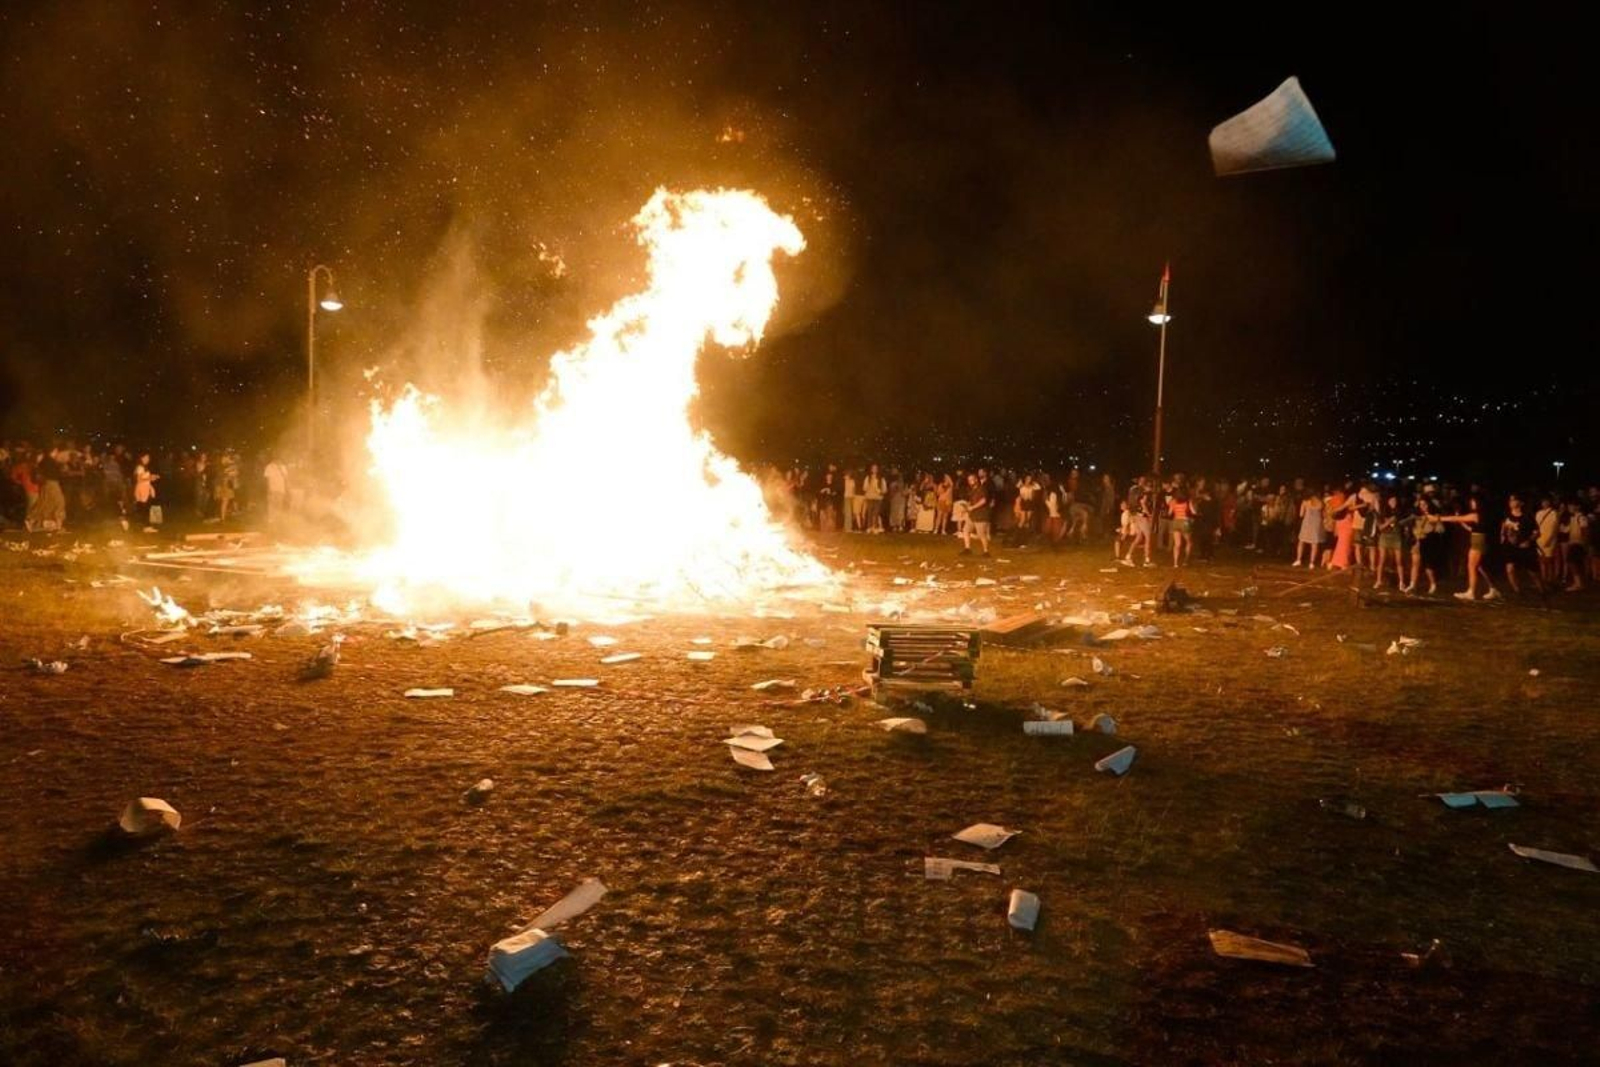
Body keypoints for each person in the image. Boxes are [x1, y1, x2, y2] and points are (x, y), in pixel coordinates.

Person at [1439, 494, 1499, 601]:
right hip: (1479, 540)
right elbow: (1472, 529)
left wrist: (1438, 518)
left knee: (1471, 566)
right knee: (1479, 566)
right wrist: (1461, 522)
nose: (1471, 503)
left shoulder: (1476, 515)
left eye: (1473, 501)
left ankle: (1471, 592)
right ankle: (1493, 589)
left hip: (1478, 541)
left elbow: (1454, 518)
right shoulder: (1483, 515)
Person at [1499, 494, 1543, 595]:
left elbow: (1537, 532)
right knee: (1510, 569)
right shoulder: (1506, 514)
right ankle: (1517, 591)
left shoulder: (1527, 516)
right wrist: (1502, 536)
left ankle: (1541, 589)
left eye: (1514, 500)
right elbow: (1503, 526)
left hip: (1524, 546)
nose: (1511, 502)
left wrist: (1528, 541)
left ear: (1521, 503)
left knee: (1532, 572)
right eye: (1510, 500)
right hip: (1510, 546)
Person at [1404, 496, 1445, 595]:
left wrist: (1435, 524)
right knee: (1415, 564)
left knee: (1428, 565)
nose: (1422, 506)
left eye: (1425, 504)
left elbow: (1441, 529)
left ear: (1429, 504)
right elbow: (1406, 524)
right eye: (1420, 505)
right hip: (1417, 542)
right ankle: (1412, 585)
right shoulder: (1416, 515)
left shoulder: (1433, 516)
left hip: (1427, 542)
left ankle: (1433, 584)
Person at [1372, 492, 1408, 591]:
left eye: (1395, 500)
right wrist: (1388, 521)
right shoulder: (1383, 512)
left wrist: (1392, 521)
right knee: (1382, 559)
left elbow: (1402, 524)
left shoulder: (1400, 512)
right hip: (1385, 537)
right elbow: (1380, 527)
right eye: (1392, 500)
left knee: (1399, 561)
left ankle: (1401, 583)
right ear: (1388, 502)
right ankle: (1378, 581)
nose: (1394, 502)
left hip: (1396, 537)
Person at [960, 473, 991, 557]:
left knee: (981, 534)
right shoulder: (972, 490)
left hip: (981, 515)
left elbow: (983, 500)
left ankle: (986, 551)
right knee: (966, 530)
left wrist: (972, 507)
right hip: (973, 515)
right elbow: (971, 501)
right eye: (969, 480)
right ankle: (967, 548)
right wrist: (966, 509)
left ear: (976, 480)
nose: (970, 481)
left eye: (972, 479)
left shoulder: (982, 489)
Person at [1293, 488, 1325, 567]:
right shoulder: (1321, 503)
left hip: (1307, 523)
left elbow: (1301, 514)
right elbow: (1323, 515)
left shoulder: (1305, 502)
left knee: (1301, 541)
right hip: (1317, 524)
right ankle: (1312, 562)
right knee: (1314, 543)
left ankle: (1298, 559)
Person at [1167, 489, 1194, 567]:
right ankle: (1186, 560)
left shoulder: (1173, 501)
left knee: (1177, 544)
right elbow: (1193, 512)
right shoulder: (1188, 501)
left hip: (1176, 521)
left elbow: (1169, 513)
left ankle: (1175, 563)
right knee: (1189, 542)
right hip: (1184, 522)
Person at [133, 452, 159, 526]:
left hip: (146, 488)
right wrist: (150, 478)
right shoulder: (140, 467)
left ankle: (145, 523)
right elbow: (139, 479)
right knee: (144, 507)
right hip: (142, 489)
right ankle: (145, 524)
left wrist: (152, 477)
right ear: (141, 458)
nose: (148, 459)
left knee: (145, 507)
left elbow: (145, 477)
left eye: (148, 458)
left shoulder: (144, 467)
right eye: (146, 458)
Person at [264, 455, 290, 523]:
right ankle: (271, 519)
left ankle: (278, 518)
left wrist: (287, 488)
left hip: (281, 488)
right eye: (277, 459)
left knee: (279, 504)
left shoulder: (283, 467)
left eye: (279, 459)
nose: (278, 461)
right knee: (271, 504)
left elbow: (286, 478)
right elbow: (267, 479)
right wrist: (268, 488)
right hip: (272, 488)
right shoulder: (269, 467)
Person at [862, 464, 886, 534]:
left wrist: (879, 491)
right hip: (870, 497)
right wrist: (869, 488)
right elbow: (864, 488)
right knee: (869, 512)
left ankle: (875, 527)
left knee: (876, 513)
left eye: (876, 468)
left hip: (878, 498)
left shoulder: (881, 479)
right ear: (871, 470)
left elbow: (884, 489)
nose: (874, 470)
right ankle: (869, 527)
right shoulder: (868, 478)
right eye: (873, 468)